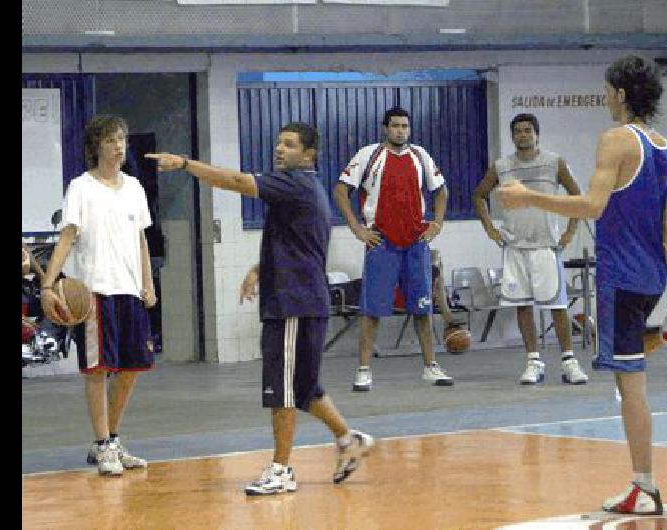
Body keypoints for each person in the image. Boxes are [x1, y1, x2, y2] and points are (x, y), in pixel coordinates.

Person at [497, 55, 667, 515]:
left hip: (621, 278)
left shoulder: (616, 140)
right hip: (650, 279)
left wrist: (528, 196)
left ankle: (644, 486)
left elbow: (591, 206)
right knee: (630, 380)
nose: (606, 98)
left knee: (630, 385)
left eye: (609, 90)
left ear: (622, 94)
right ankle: (643, 479)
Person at [146, 122, 374, 496]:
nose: (279, 150)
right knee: (304, 389)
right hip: (305, 300)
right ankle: (349, 440)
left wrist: (186, 163)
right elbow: (298, 244)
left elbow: (236, 182)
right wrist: (258, 269)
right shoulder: (304, 190)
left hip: (292, 304)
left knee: (282, 390)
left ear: (309, 155)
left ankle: (282, 470)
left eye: (289, 145)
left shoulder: (294, 183)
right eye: (278, 143)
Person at [40, 114, 157, 477]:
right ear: (96, 147)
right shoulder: (81, 187)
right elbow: (67, 237)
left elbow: (140, 238)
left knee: (131, 368)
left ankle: (110, 440)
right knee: (97, 369)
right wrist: (47, 284)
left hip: (129, 289)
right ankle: (104, 443)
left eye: (122, 139)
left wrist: (148, 282)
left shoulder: (135, 188)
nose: (119, 146)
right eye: (110, 140)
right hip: (95, 292)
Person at [333, 107, 454, 391]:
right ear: (385, 128)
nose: (401, 130)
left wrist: (436, 224)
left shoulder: (421, 156)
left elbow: (442, 192)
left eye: (405, 126)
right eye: (396, 126)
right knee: (371, 311)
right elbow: (340, 190)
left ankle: (430, 366)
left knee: (422, 309)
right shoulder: (369, 155)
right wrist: (357, 229)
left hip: (415, 244)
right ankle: (364, 369)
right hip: (382, 243)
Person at [472, 113, 588, 385]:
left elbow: (577, 196)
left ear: (537, 134)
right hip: (515, 247)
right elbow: (478, 194)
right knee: (522, 306)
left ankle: (569, 362)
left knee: (557, 305)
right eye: (518, 131)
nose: (523, 135)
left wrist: (569, 232)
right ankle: (533, 361)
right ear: (512, 136)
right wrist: (490, 228)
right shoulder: (502, 167)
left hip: (546, 246)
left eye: (528, 130)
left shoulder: (553, 162)